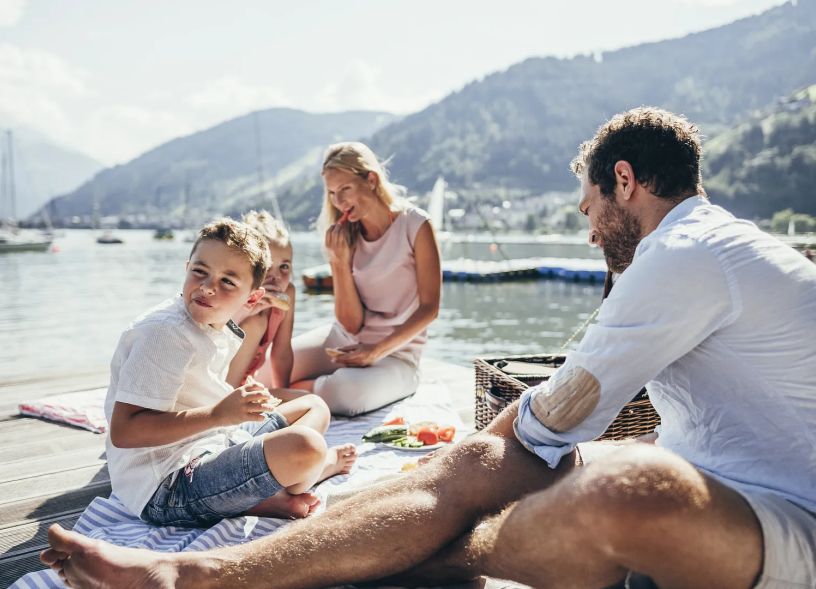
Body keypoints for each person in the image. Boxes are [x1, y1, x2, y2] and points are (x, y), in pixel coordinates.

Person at [41, 108, 815, 589]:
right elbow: (561, 414)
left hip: (795, 523)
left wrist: (468, 467)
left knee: (610, 483)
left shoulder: (684, 254)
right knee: (511, 461)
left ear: (625, 180)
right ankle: (215, 570)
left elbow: (559, 413)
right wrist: (469, 462)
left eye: (587, 208)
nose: (585, 230)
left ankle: (267, 569)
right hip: (740, 489)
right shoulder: (706, 248)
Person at [100, 218, 356, 528]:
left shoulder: (215, 323)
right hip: (166, 485)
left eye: (228, 282)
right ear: (186, 267)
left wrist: (235, 409)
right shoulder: (163, 335)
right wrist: (219, 414)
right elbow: (125, 433)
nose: (207, 287)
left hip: (214, 441)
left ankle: (269, 489)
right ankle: (292, 483)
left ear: (252, 298)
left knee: (314, 406)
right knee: (307, 447)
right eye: (200, 272)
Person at [288, 141, 442, 416]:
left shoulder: (416, 225)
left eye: (345, 189)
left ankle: (294, 395)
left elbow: (430, 308)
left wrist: (375, 351)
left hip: (397, 353)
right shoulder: (344, 236)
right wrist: (339, 262)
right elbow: (350, 323)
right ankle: (299, 393)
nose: (339, 201)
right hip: (345, 339)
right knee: (277, 364)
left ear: (371, 180)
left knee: (347, 392)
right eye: (333, 193)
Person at [226, 210, 296, 389]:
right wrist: (244, 312)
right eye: (267, 266)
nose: (276, 276)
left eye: (284, 266)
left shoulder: (288, 293)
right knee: (256, 324)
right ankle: (227, 410)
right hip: (218, 387)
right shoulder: (233, 293)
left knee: (310, 402)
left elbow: (282, 353)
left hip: (246, 385)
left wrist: (282, 392)